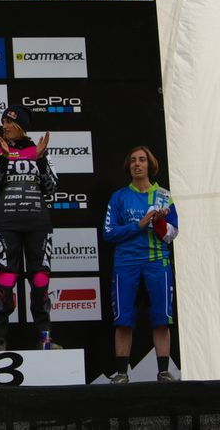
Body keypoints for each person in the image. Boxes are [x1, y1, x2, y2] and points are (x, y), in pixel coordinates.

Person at [0, 105, 60, 350]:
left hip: (38, 224)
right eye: (3, 121)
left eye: (9, 122)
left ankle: (45, 337)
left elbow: (51, 188)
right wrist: (5, 159)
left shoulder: (40, 151)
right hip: (6, 224)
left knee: (40, 280)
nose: (5, 126)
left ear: (21, 126)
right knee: (5, 280)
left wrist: (40, 159)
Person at [103, 146, 179, 383]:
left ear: (150, 164)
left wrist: (159, 223)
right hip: (126, 263)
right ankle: (122, 373)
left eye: (142, 160)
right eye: (133, 160)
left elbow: (172, 235)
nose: (137, 164)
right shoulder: (119, 197)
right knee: (123, 320)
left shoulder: (163, 196)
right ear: (129, 166)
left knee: (161, 319)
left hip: (157, 262)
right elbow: (109, 233)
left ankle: (163, 372)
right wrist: (139, 224)